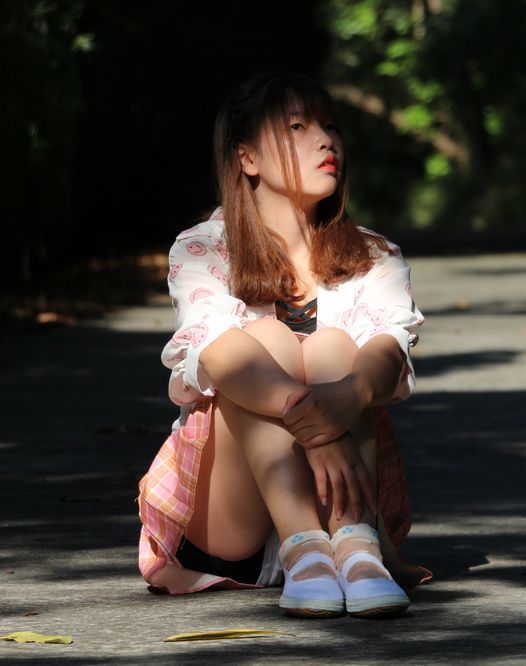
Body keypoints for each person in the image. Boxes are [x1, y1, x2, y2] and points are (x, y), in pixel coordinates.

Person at [136, 73, 430, 618]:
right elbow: (219, 356)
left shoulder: (375, 256)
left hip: (346, 511)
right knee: (263, 339)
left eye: (331, 127)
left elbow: (388, 352)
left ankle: (356, 550)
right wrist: (320, 427)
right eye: (297, 127)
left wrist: (346, 396)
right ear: (247, 158)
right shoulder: (203, 248)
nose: (326, 140)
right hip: (233, 527)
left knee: (333, 347)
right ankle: (303, 551)